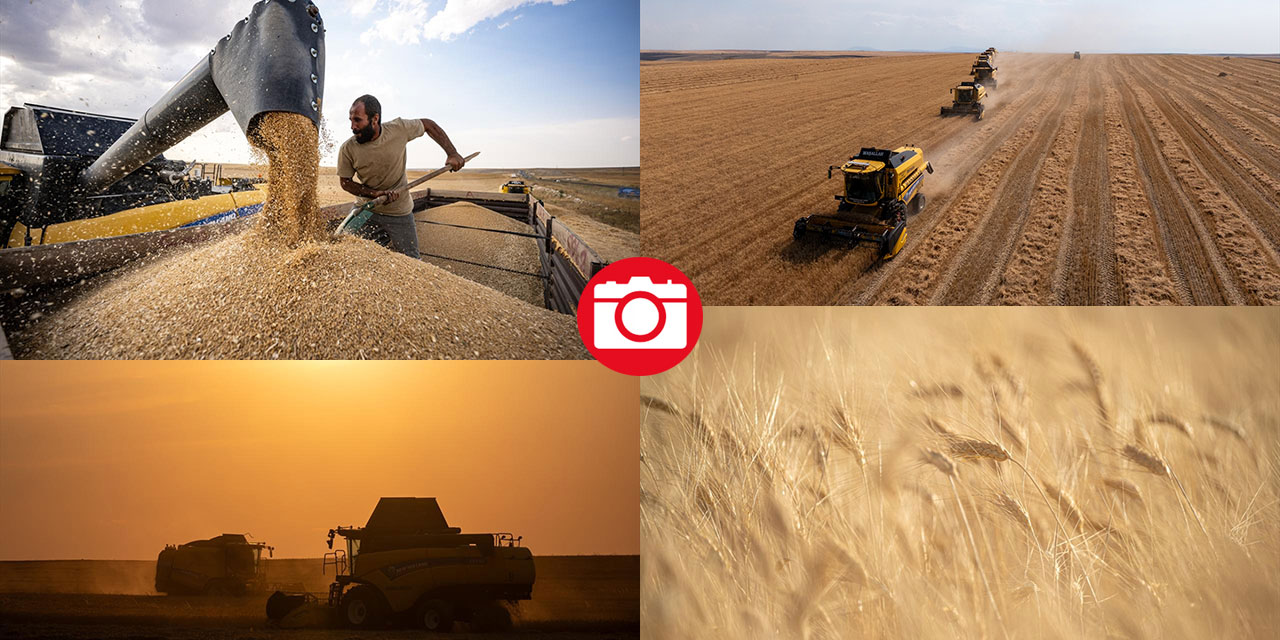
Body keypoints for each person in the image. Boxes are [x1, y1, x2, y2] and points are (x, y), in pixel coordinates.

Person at [337, 94, 466, 258]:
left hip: (399, 213)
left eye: (357, 120)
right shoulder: (348, 148)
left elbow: (428, 125)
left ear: (375, 119)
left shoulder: (398, 129)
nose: (352, 126)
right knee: (346, 254)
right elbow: (345, 183)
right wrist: (374, 194)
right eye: (351, 120)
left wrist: (452, 153)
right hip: (366, 210)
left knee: (412, 262)